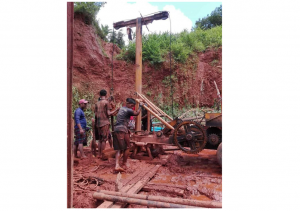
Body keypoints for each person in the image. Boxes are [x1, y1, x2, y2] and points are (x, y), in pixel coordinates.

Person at [113, 98, 143, 172]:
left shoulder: (121, 109)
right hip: (122, 129)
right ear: (129, 104)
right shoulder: (128, 110)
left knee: (119, 149)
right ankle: (124, 163)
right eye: (132, 106)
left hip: (116, 129)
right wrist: (140, 106)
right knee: (127, 147)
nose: (132, 107)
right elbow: (136, 113)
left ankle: (117, 165)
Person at [94, 89, 119, 159]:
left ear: (100, 95)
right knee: (104, 140)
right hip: (105, 123)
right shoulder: (106, 103)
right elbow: (109, 113)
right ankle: (102, 154)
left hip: (98, 123)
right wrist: (116, 110)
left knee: (100, 139)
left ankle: (99, 154)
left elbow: (96, 115)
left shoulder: (97, 103)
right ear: (106, 95)